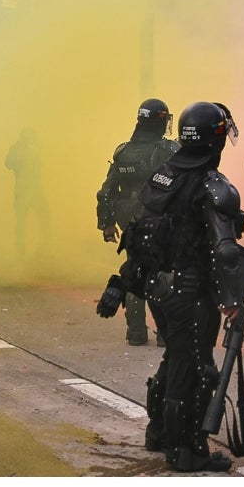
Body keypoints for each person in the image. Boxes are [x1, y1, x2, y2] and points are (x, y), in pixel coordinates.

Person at [124, 101, 244, 473]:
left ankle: (158, 432)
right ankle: (188, 449)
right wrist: (231, 299)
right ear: (216, 139)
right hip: (190, 291)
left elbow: (142, 228)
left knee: (176, 358)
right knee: (198, 369)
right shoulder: (213, 186)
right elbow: (225, 250)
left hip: (159, 288)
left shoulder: (165, 173)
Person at [95, 98, 180, 346]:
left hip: (130, 221)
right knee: (163, 274)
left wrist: (107, 224)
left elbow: (106, 192)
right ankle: (165, 334)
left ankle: (135, 333)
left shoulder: (123, 152)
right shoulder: (168, 150)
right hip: (159, 220)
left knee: (135, 269)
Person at [4, 127, 50, 254]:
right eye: (31, 137)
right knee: (21, 222)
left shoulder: (34, 149)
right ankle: (21, 252)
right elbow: (8, 163)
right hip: (22, 191)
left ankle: (43, 249)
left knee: (45, 218)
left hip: (36, 191)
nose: (33, 139)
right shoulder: (17, 149)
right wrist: (20, 153)